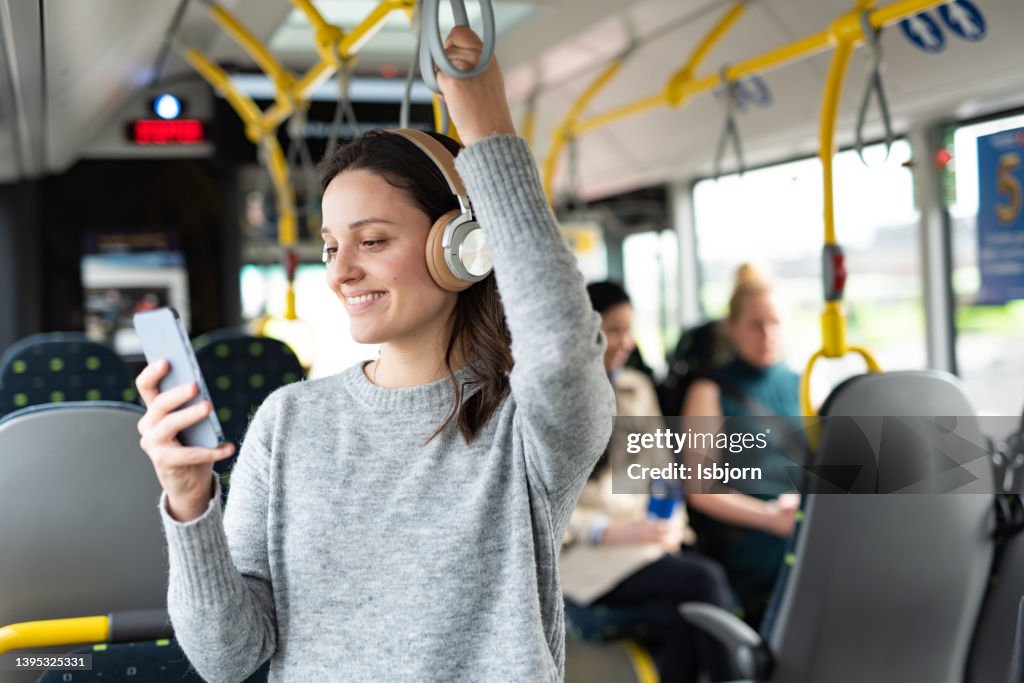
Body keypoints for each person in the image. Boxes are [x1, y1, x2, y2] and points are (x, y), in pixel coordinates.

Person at [134, 27, 615, 682]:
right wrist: (190, 503)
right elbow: (227, 658)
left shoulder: (523, 424)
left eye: (373, 240)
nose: (341, 272)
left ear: (461, 246)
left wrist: (488, 128)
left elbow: (560, 347)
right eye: (332, 247)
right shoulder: (287, 421)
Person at [560, 280, 738, 683]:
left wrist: (670, 523)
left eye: (630, 329)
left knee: (683, 618)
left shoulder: (636, 388)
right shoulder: (559, 398)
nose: (626, 341)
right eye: (615, 329)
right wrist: (616, 532)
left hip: (643, 542)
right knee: (704, 580)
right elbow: (551, 508)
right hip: (586, 553)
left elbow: (661, 470)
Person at [681, 264, 805, 628]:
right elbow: (700, 491)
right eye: (755, 324)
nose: (767, 334)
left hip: (797, 520)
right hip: (750, 532)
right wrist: (770, 518)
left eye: (775, 322)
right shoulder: (709, 391)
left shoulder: (804, 383)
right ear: (732, 328)